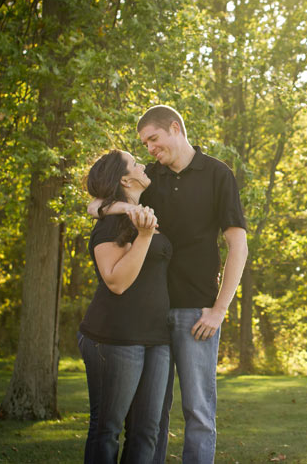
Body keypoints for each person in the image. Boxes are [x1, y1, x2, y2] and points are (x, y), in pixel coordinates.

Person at [89, 105, 248, 464]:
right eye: (144, 144)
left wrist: (219, 310)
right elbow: (95, 204)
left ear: (175, 128)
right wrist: (126, 210)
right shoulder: (151, 178)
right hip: (150, 315)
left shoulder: (217, 174)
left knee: (199, 413)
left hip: (197, 312)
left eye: (154, 139)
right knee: (151, 418)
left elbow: (238, 246)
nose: (150, 149)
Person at [79, 150, 172, 464]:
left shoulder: (137, 210)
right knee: (107, 430)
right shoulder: (112, 224)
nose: (143, 164)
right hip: (114, 338)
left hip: (156, 338)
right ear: (123, 178)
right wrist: (144, 237)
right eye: (135, 163)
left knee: (147, 431)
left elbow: (95, 203)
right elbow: (116, 282)